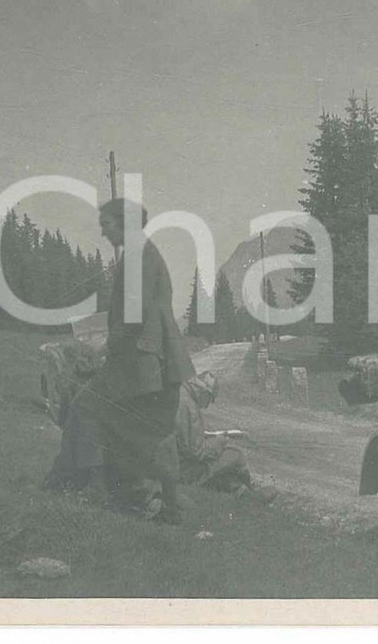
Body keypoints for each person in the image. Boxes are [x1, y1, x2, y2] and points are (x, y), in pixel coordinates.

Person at [91, 197, 195, 524]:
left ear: (125, 223)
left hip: (148, 358)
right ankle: (163, 504)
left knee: (126, 423)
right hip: (158, 354)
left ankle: (142, 500)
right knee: (149, 427)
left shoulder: (137, 257)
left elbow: (133, 316)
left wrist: (109, 345)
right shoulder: (143, 253)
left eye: (106, 224)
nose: (103, 232)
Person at [176, 372, 276, 502]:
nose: (207, 405)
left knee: (224, 461)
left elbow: (187, 440)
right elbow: (197, 452)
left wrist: (209, 437)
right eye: (209, 400)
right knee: (235, 454)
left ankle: (244, 492)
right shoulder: (188, 407)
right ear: (204, 392)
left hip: (175, 462)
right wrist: (220, 442)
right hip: (183, 470)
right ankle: (248, 492)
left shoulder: (182, 395)